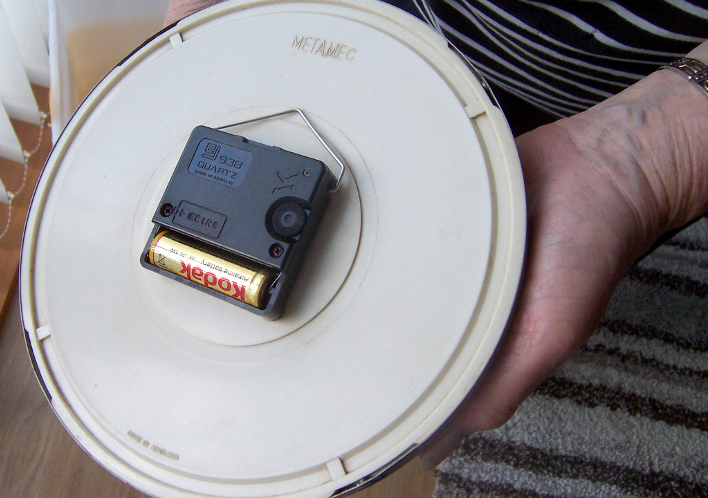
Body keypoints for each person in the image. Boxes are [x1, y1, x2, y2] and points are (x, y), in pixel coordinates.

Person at [165, 0, 708, 470]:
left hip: (635, 92)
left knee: (481, 289)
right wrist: (208, 24)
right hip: (392, 28)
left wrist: (644, 157)